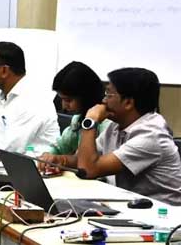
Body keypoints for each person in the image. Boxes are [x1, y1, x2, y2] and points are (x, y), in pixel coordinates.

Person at [40, 68, 181, 205]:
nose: (103, 101)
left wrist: (90, 121)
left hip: (161, 215)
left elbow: (87, 170)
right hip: (127, 206)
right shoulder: (116, 126)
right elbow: (81, 160)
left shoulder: (151, 135)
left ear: (128, 103)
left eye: (109, 95)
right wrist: (59, 160)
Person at [46, 61, 109, 156]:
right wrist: (49, 155)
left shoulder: (108, 125)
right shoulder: (77, 120)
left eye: (68, 100)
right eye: (61, 99)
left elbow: (89, 160)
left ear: (86, 96)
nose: (64, 106)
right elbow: (61, 146)